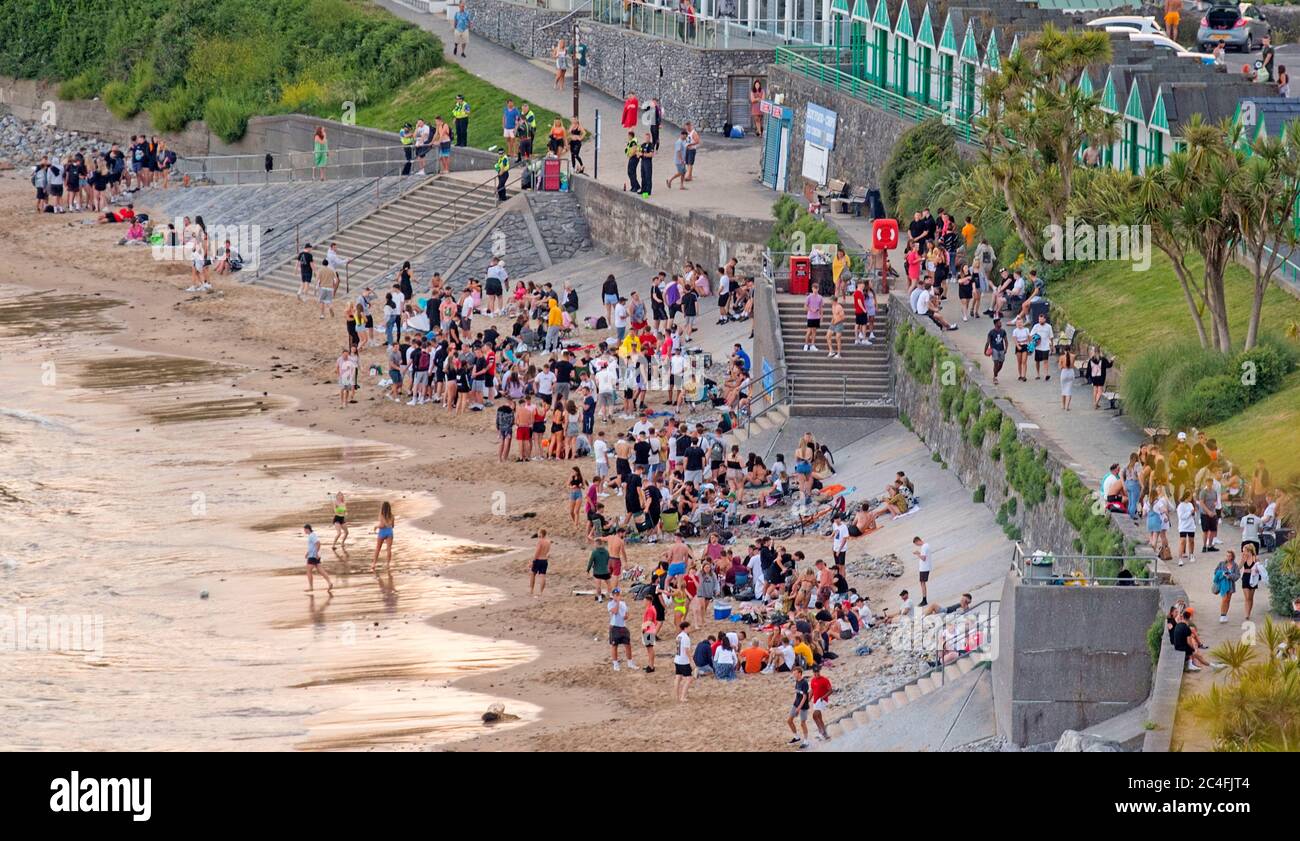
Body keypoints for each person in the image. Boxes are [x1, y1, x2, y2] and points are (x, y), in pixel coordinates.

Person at [608, 588, 636, 671]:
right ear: (613, 596)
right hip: (615, 626)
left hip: (622, 626)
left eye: (618, 594)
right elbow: (615, 611)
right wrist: (617, 602)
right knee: (614, 645)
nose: (617, 596)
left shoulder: (623, 603)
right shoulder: (610, 604)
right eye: (615, 595)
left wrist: (626, 616)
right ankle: (615, 664)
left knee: (628, 645)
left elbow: (626, 614)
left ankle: (630, 662)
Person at [302, 524, 333, 593]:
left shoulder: (311, 536)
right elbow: (312, 546)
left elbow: (318, 543)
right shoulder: (313, 535)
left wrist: (315, 553)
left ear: (307, 529)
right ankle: (329, 582)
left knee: (308, 571)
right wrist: (307, 553)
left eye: (304, 530)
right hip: (314, 555)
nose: (304, 531)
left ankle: (311, 587)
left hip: (313, 556)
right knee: (321, 570)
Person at [1214, 550, 1241, 624]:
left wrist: (1229, 576)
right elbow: (1216, 572)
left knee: (1228, 600)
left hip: (1231, 585)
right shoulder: (1221, 564)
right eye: (1227, 555)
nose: (1228, 557)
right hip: (1223, 584)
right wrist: (1222, 573)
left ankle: (1225, 614)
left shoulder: (1235, 565)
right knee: (1224, 599)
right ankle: (1222, 615)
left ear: (1232, 557)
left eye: (1229, 556)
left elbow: (1238, 575)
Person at [786, 666, 810, 748]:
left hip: (803, 706)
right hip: (796, 704)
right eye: (793, 673)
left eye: (795, 673)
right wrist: (795, 705)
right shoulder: (797, 681)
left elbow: (805, 697)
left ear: (800, 673)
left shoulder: (804, 683)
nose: (794, 675)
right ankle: (796, 737)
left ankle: (806, 741)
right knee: (789, 721)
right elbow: (797, 694)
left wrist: (799, 708)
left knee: (803, 723)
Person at [809, 665, 832, 741]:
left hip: (822, 700)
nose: (817, 673)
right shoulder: (812, 681)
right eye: (815, 672)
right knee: (819, 717)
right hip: (816, 701)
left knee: (814, 715)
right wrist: (809, 699)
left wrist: (823, 697)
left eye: (818, 672)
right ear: (813, 673)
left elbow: (830, 690)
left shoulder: (825, 680)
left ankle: (820, 732)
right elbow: (812, 691)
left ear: (819, 671)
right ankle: (825, 734)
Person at [371, 500, 395, 573]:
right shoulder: (392, 516)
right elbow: (393, 526)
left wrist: (376, 527)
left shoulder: (381, 515)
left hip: (382, 532)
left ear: (382, 508)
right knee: (389, 549)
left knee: (378, 549)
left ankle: (374, 564)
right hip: (389, 532)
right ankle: (388, 564)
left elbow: (382, 525)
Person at [673, 621, 693, 702]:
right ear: (685, 628)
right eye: (689, 627)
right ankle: (683, 697)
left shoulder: (678, 636)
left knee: (678, 677)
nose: (690, 629)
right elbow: (687, 650)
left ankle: (676, 696)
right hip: (683, 661)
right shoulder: (686, 637)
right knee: (689, 679)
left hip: (677, 659)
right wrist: (691, 660)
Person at [985, 317, 1008, 385]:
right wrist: (985, 350)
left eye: (1000, 322)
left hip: (1001, 349)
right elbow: (987, 342)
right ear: (995, 324)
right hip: (994, 349)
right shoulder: (991, 332)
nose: (1000, 323)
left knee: (1001, 364)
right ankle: (995, 377)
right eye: (999, 322)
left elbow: (1006, 341)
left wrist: (1006, 349)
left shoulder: (1003, 331)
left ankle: (995, 373)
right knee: (996, 362)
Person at [530, 528, 551, 596]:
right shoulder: (548, 542)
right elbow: (547, 552)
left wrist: (533, 561)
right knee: (543, 576)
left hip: (538, 559)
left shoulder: (540, 541)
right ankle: (541, 592)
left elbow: (537, 552)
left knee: (533, 574)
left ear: (541, 534)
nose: (538, 534)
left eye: (539, 533)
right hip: (545, 560)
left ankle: (531, 590)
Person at [912, 536, 932, 606]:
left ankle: (924, 600)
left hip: (924, 568)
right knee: (922, 583)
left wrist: (917, 553)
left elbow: (923, 558)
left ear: (918, 541)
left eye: (916, 544)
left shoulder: (924, 547)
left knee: (922, 583)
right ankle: (924, 599)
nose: (917, 545)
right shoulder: (927, 545)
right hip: (926, 567)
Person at [638, 130, 655, 198]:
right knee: (643, 176)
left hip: (648, 162)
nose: (647, 139)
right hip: (643, 161)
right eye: (646, 138)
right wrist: (639, 154)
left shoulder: (651, 145)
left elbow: (651, 155)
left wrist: (643, 154)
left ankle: (648, 191)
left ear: (650, 138)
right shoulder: (643, 145)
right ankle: (643, 189)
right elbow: (638, 152)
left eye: (648, 138)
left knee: (648, 176)